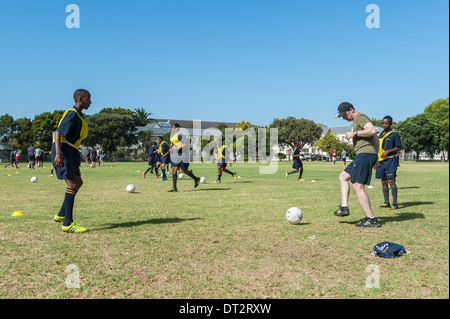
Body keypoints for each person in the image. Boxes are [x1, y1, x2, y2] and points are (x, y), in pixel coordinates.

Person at [334, 102, 380, 227]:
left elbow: (372, 131)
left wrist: (354, 134)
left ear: (351, 110)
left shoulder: (360, 117)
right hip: (365, 154)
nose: (343, 118)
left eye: (344, 114)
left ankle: (371, 219)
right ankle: (344, 207)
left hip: (364, 154)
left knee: (357, 186)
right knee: (343, 176)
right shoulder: (356, 121)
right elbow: (375, 138)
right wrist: (376, 156)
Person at [51, 89, 91, 233]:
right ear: (80, 99)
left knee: (78, 182)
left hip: (72, 150)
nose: (90, 102)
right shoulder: (72, 114)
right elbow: (58, 132)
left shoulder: (79, 115)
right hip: (63, 149)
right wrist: (58, 154)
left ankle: (62, 214)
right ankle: (67, 223)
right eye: (88, 99)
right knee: (72, 184)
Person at [375, 116, 402, 209]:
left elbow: (399, 147)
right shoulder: (379, 135)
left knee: (391, 180)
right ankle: (386, 202)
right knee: (383, 181)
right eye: (383, 123)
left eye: (386, 123)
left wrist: (388, 152)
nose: (384, 125)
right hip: (381, 161)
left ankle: (395, 203)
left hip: (390, 159)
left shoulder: (394, 134)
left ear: (390, 124)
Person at [168, 123, 200, 192]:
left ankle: (196, 179)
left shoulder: (180, 134)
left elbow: (187, 143)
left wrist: (178, 148)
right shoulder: (172, 136)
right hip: (175, 155)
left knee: (185, 170)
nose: (171, 129)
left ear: (177, 128)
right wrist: (171, 148)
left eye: (172, 127)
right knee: (174, 169)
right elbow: (172, 143)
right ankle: (174, 188)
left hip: (183, 154)